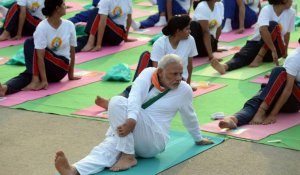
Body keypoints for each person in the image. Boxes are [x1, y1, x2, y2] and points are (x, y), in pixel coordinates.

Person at [54, 54, 214, 175]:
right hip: (132, 134)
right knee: (107, 148)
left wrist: (198, 138)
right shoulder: (147, 74)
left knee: (116, 102)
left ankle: (128, 156)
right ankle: (75, 170)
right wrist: (131, 120)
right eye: (174, 74)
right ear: (160, 71)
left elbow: (189, 116)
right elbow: (135, 96)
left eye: (181, 74)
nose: (179, 78)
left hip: (154, 140)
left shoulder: (184, 90)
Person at [0, 0, 80, 96]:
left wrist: (70, 75)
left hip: (61, 68)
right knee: (28, 74)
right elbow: (40, 57)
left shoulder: (69, 25)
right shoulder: (42, 27)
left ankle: (35, 79)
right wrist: (43, 79)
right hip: (47, 68)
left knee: (30, 43)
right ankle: (6, 88)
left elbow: (72, 51)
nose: (65, 6)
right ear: (57, 8)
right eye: (63, 4)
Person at [219, 39, 300, 128]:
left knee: (278, 72)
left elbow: (288, 89)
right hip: (285, 95)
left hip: (295, 100)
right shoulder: (295, 58)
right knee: (259, 99)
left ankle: (262, 110)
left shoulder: (294, 59)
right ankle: (234, 119)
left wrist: (273, 114)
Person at [211, 0, 295, 75]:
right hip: (260, 43)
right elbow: (262, 30)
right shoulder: (267, 9)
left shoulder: (291, 12)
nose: (292, 1)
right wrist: (272, 49)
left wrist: (285, 51)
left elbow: (287, 34)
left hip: (276, 51)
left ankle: (259, 57)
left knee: (273, 25)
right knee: (244, 54)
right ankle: (224, 67)